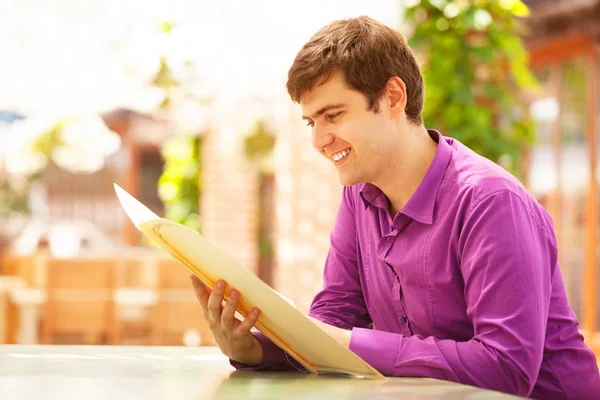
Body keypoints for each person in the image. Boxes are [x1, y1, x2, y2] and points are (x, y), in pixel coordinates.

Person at [190, 16, 600, 399]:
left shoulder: (490, 202)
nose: (319, 140)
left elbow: (506, 367)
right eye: (311, 122)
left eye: (332, 115)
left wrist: (351, 344)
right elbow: (337, 316)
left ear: (392, 97)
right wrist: (256, 349)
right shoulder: (360, 194)